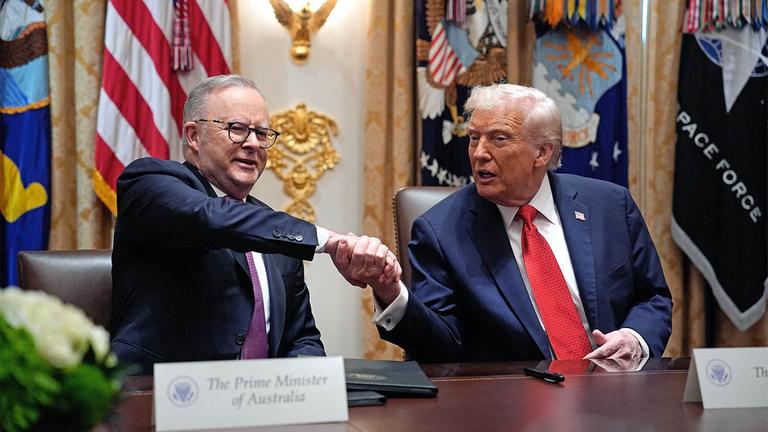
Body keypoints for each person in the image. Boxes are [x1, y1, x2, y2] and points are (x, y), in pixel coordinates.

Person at [336, 84, 672, 364]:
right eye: (473, 138)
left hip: (614, 395)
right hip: (513, 403)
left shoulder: (610, 206)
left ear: (542, 152)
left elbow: (653, 297)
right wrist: (390, 292)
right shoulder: (440, 232)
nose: (479, 153)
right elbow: (441, 346)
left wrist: (635, 337)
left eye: (498, 139)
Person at [110, 75, 398, 374]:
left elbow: (301, 338)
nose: (253, 144)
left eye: (262, 133)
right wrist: (330, 241)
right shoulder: (148, 184)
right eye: (237, 129)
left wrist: (311, 394)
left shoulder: (276, 235)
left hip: (264, 406)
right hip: (160, 402)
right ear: (194, 135)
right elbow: (211, 217)